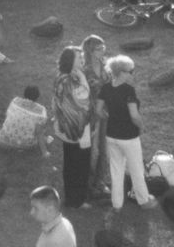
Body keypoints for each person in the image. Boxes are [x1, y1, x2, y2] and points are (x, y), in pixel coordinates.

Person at [96, 55, 159, 211]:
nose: (132, 74)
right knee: (136, 169)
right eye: (130, 71)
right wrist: (141, 126)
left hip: (111, 135)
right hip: (128, 136)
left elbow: (98, 110)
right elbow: (134, 115)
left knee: (116, 170)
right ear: (121, 72)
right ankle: (144, 200)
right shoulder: (128, 90)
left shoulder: (105, 88)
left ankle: (117, 204)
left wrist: (110, 118)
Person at [50, 46, 92, 208]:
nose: (82, 59)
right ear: (70, 60)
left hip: (67, 128)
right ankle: (77, 200)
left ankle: (72, 197)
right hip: (75, 129)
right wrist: (83, 78)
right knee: (79, 164)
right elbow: (84, 98)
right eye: (78, 57)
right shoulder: (68, 80)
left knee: (71, 163)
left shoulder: (61, 77)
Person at [0, 85, 49, 155]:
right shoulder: (41, 110)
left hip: (3, 141)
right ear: (37, 97)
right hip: (25, 145)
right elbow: (39, 132)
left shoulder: (15, 101)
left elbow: (7, 115)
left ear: (24, 94)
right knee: (42, 135)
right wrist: (45, 153)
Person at [81, 35, 110, 196]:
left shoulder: (106, 65)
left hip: (106, 112)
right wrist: (96, 110)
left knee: (104, 148)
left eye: (103, 47)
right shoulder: (85, 70)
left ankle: (100, 181)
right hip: (91, 115)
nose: (102, 51)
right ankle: (88, 182)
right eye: (99, 49)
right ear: (90, 51)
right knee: (91, 149)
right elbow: (83, 95)